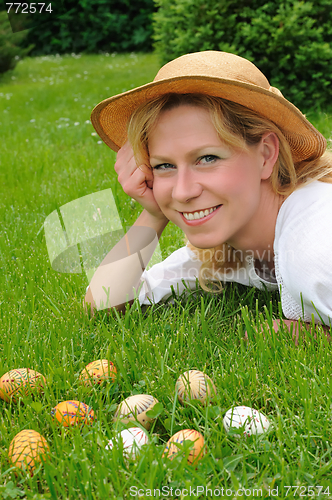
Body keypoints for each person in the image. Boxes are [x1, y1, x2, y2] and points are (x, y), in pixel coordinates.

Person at [84, 50, 332, 339]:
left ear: (265, 155)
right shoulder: (229, 245)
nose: (183, 191)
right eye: (164, 165)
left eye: (208, 158)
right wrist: (154, 213)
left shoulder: (315, 242)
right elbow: (101, 303)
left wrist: (315, 334)